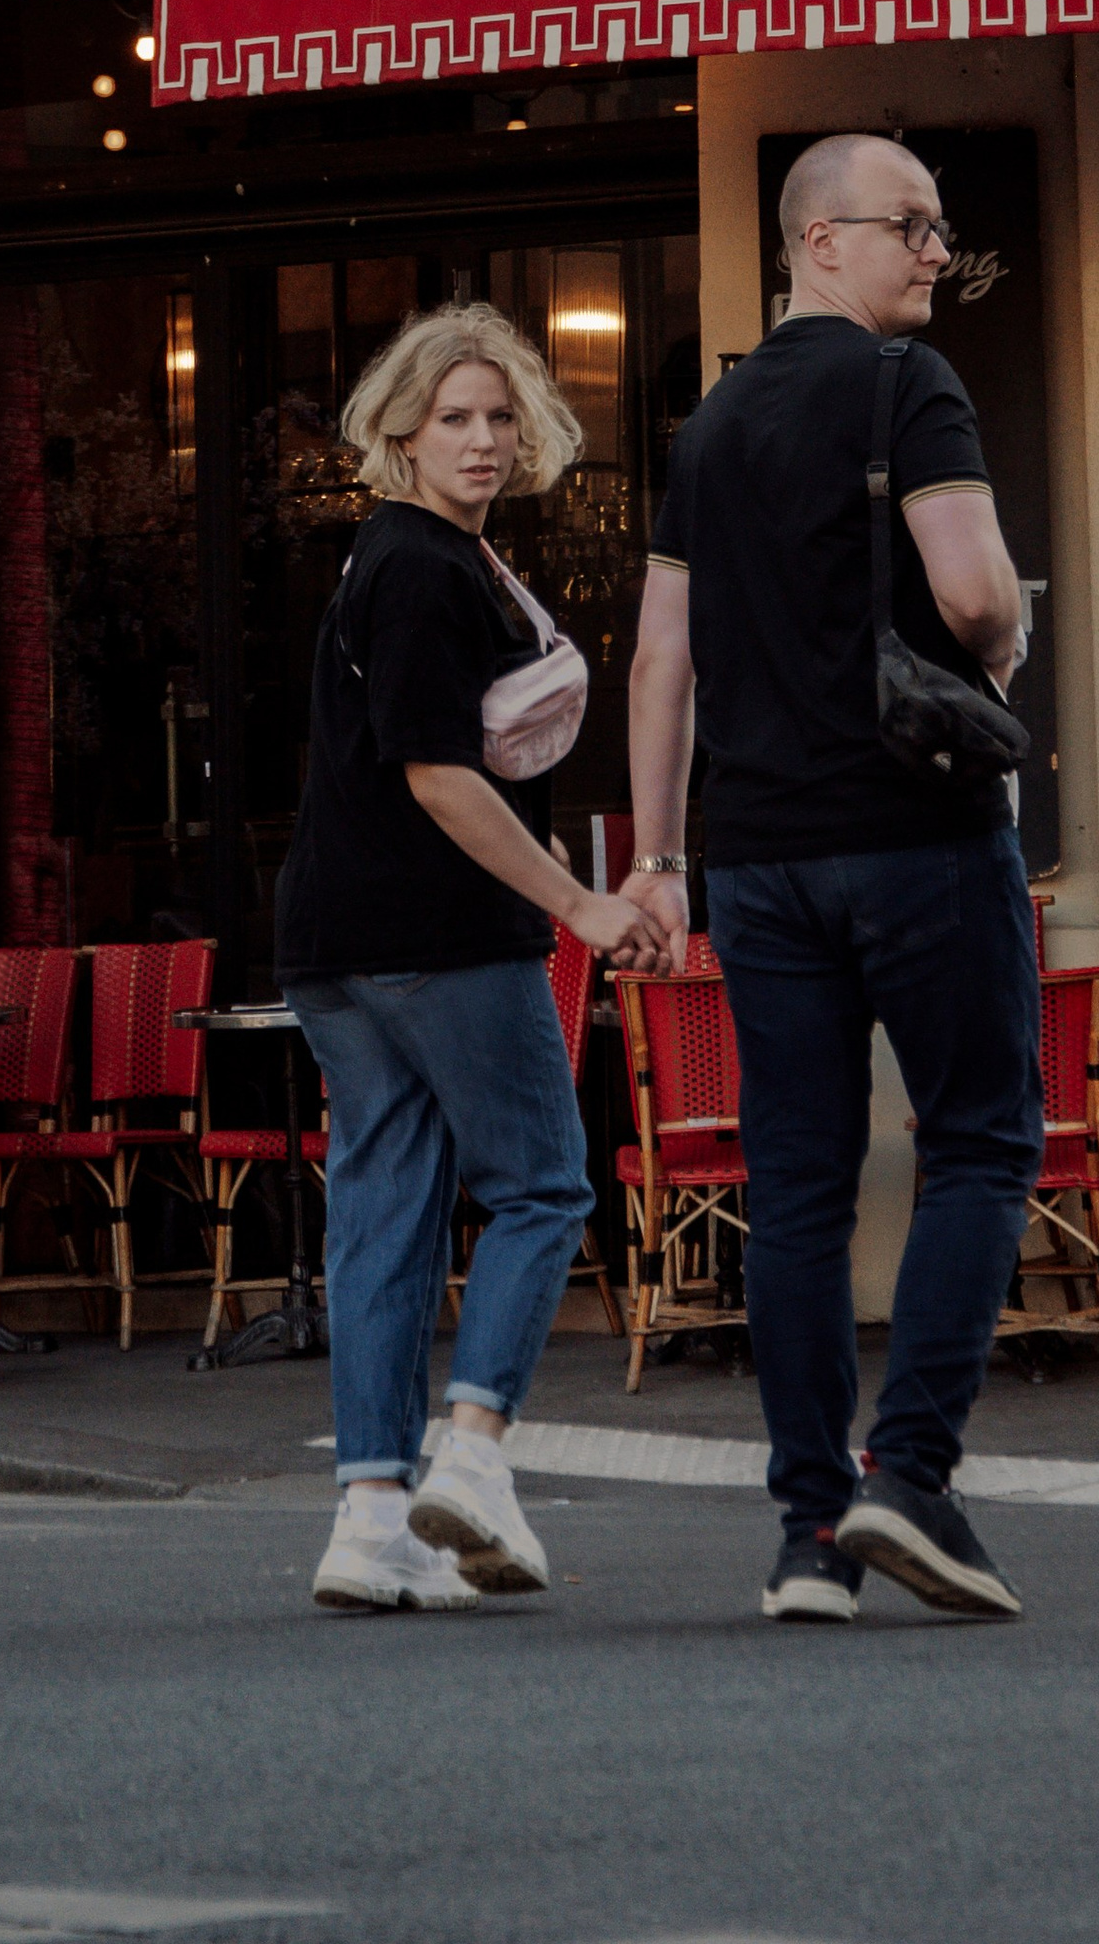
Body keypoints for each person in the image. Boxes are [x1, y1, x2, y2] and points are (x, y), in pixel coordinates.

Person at [625, 131, 1041, 1627]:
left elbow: (661, 658)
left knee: (795, 1187)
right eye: (909, 226)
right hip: (921, 831)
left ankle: (809, 1537)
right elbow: (976, 586)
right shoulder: (906, 387)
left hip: (763, 862)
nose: (935, 251)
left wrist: (661, 859)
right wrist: (997, 659)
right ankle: (910, 1477)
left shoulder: (709, 425)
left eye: (939, 225)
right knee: (983, 1140)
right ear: (818, 242)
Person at [277, 297, 667, 1615]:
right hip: (438, 939)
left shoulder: (393, 561)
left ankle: (371, 1518)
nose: (484, 440)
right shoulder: (428, 571)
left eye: (504, 417)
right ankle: (479, 1449)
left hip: (335, 945)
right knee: (546, 1188)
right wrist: (585, 905)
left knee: (385, 1211)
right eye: (454, 419)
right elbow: (439, 777)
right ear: (400, 433)